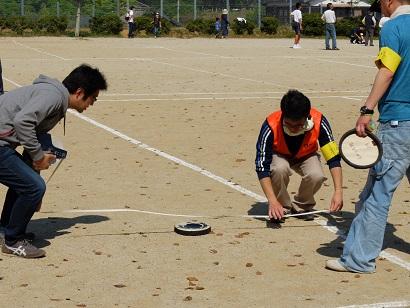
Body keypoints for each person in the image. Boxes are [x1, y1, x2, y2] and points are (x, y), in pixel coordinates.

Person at [326, 0, 410, 273]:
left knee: (377, 194)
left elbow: (387, 71)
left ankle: (359, 259)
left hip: (399, 120)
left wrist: (367, 109)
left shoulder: (393, 27)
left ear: (390, 2)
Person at [0, 64, 107, 258]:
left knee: (29, 184)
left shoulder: (55, 97)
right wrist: (39, 163)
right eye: (93, 98)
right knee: (33, 187)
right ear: (80, 92)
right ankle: (13, 241)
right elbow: (23, 122)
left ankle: (6, 230)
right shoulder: (53, 97)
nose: (92, 103)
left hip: (3, 145)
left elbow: (34, 141)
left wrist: (36, 170)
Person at [255, 90, 343, 222]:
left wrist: (338, 191)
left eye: (299, 125)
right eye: (289, 124)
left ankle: (302, 205)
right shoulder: (270, 125)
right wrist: (272, 201)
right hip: (279, 155)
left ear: (307, 116)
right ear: (283, 115)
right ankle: (281, 206)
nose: (294, 129)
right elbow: (262, 166)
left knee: (316, 175)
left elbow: (333, 158)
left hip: (307, 155)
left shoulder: (319, 121)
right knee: (279, 169)